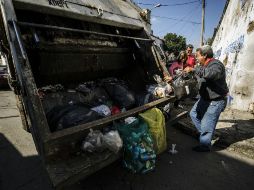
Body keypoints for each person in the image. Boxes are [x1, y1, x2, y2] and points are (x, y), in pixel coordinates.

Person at [184, 45, 228, 152]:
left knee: (207, 124)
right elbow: (199, 77)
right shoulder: (204, 65)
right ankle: (205, 134)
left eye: (198, 56)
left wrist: (194, 69)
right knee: (193, 114)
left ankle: (205, 145)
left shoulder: (216, 65)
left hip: (216, 101)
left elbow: (211, 74)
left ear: (205, 55)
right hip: (205, 98)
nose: (196, 58)